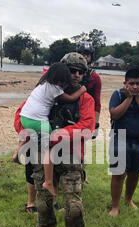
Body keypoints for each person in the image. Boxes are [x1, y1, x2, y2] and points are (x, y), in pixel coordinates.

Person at [17, 52, 95, 227]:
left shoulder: (85, 99)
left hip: (70, 156)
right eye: (72, 71)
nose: (77, 75)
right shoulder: (43, 90)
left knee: (74, 207)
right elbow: (20, 117)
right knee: (43, 204)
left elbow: (87, 127)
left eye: (81, 72)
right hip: (43, 155)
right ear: (63, 71)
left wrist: (54, 136)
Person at [13, 62, 87, 196]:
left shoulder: (42, 84)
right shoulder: (56, 89)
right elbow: (70, 98)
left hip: (24, 117)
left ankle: (17, 153)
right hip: (38, 120)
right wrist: (82, 90)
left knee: (27, 132)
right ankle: (48, 181)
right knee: (51, 148)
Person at [108, 69, 139, 216]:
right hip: (119, 138)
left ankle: (128, 199)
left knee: (135, 173)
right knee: (118, 173)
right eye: (131, 83)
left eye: (138, 83)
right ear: (125, 84)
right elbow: (114, 114)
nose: (135, 87)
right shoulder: (117, 94)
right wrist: (129, 98)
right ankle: (115, 206)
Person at [77, 41, 102, 139]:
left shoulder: (95, 77)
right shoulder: (67, 72)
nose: (85, 57)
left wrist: (96, 124)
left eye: (87, 55)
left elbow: (97, 102)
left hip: (84, 113)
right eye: (82, 54)